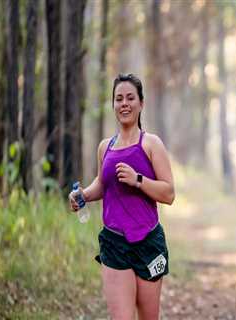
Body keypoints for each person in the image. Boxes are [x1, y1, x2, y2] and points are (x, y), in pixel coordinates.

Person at [69, 73, 175, 320]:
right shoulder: (105, 146)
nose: (124, 103)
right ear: (113, 104)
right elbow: (101, 185)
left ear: (141, 103)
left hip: (149, 242)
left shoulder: (151, 144)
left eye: (130, 98)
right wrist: (82, 195)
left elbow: (169, 194)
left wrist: (138, 180)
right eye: (119, 99)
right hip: (114, 243)